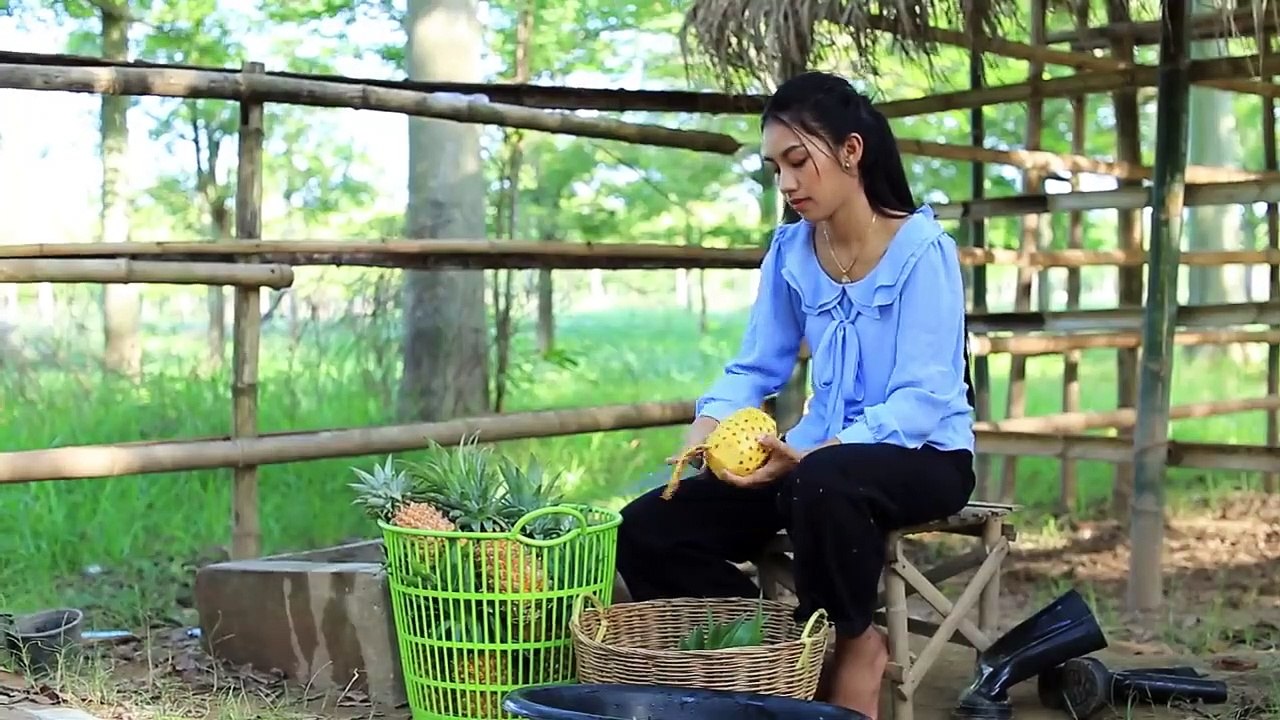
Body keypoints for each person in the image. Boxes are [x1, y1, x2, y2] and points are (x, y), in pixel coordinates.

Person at [614, 71, 978, 719]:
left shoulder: (925, 252)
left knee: (823, 480)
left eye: (797, 162)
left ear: (851, 152)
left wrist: (814, 455)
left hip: (923, 456)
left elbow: (923, 399)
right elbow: (757, 365)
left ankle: (856, 643)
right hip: (813, 464)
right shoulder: (789, 252)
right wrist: (710, 421)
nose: (786, 183)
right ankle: (775, 648)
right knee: (646, 528)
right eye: (774, 167)